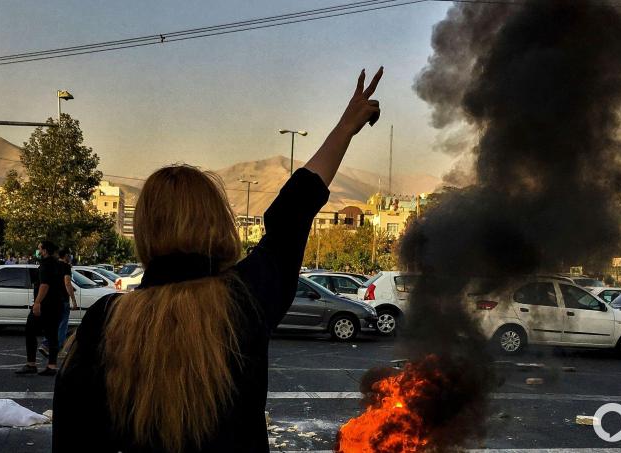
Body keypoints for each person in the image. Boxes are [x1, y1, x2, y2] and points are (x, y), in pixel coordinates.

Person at [53, 67, 383, 452]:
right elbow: (293, 211)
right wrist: (345, 128)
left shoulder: (104, 322)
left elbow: (71, 438)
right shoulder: (244, 299)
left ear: (145, 231)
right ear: (217, 222)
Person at [15, 240, 67, 376]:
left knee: (30, 330)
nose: (38, 251)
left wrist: (37, 302)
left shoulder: (45, 265)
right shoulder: (59, 264)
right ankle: (52, 366)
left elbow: (45, 285)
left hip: (46, 305)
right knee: (52, 335)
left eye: (39, 249)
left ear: (44, 250)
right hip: (57, 304)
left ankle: (31, 364)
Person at [40, 249, 78, 357]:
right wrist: (73, 300)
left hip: (52, 299)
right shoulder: (66, 267)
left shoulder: (53, 265)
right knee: (62, 325)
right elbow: (67, 282)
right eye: (69, 255)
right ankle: (58, 349)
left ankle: (45, 344)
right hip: (62, 300)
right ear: (65, 255)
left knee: (53, 323)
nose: (70, 257)